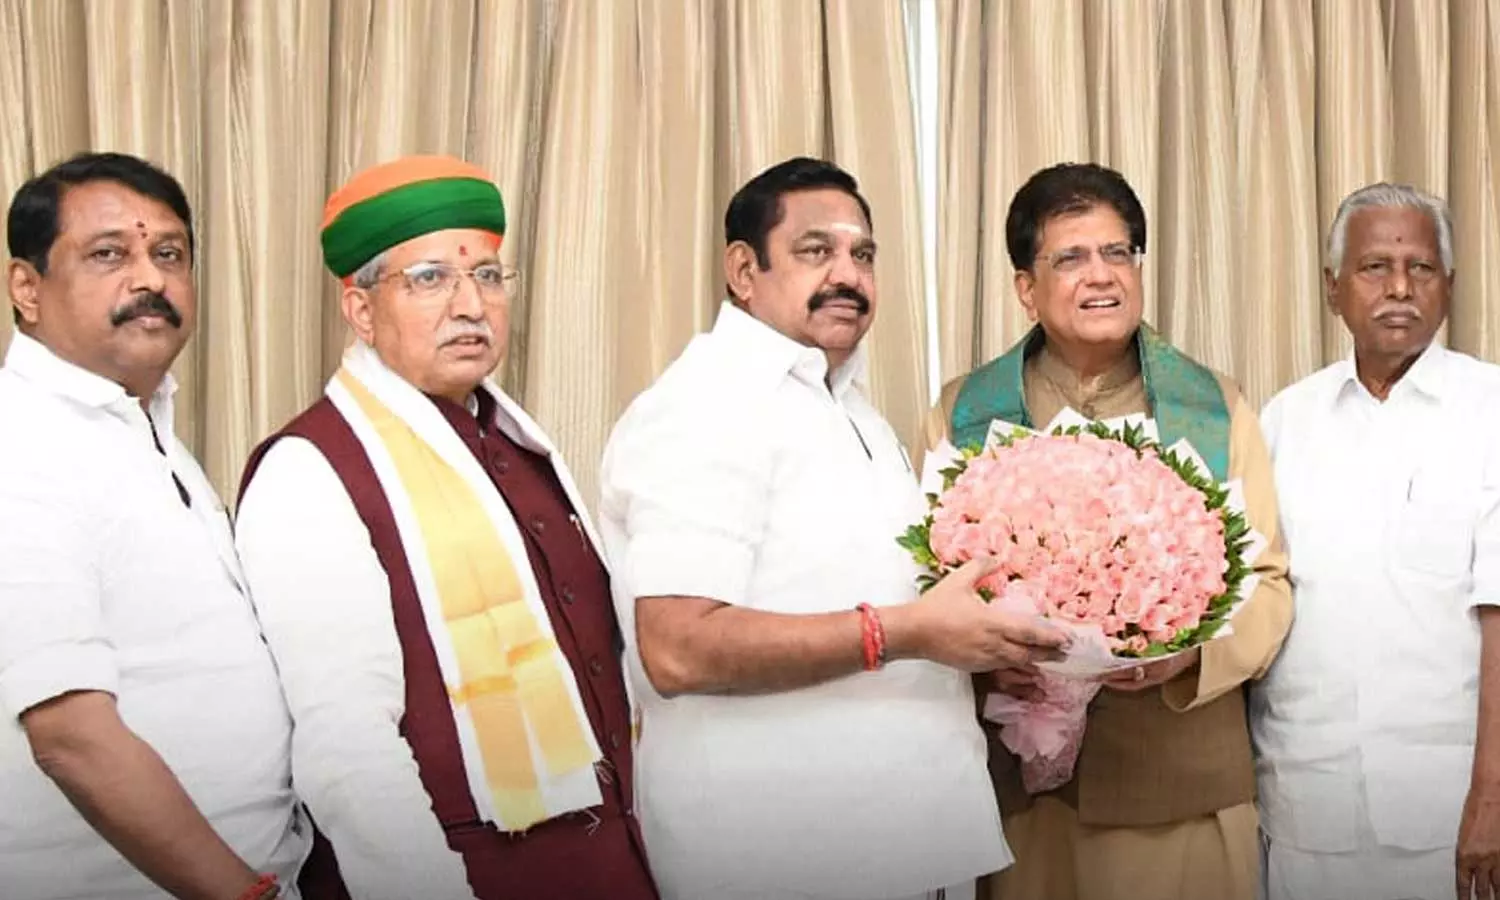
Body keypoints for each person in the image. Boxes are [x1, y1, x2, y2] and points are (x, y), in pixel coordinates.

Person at [597, 156, 1073, 900]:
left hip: (904, 838)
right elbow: (677, 647)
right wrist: (909, 635)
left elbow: (859, 596)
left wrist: (975, 653)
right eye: (815, 250)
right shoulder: (707, 405)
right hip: (783, 855)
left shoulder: (851, 409)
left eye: (864, 255)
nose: (847, 275)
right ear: (743, 270)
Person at [233, 155, 658, 900]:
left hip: (609, 863)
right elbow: (346, 746)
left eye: (487, 276)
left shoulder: (518, 445)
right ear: (361, 310)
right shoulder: (309, 470)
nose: (471, 306)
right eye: (430, 278)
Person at [923, 162, 1293, 900]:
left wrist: (1186, 658)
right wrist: (989, 661)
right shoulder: (965, 412)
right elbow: (928, 585)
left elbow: (1267, 584)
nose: (1102, 275)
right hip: (1030, 802)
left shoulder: (1213, 407)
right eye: (1070, 257)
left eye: (1118, 252)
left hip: (1180, 785)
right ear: (1026, 287)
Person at [0, 152, 308, 899]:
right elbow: (69, 734)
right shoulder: (22, 444)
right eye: (109, 254)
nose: (150, 280)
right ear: (27, 288)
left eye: (169, 254)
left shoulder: (139, 421)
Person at [1254, 183, 1500, 900]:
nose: (1399, 288)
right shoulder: (1284, 420)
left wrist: (1492, 795)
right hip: (1304, 801)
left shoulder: (1491, 410)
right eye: (1374, 267)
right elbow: (1258, 600)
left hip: (1449, 810)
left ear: (1449, 284)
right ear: (1333, 288)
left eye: (1421, 267)